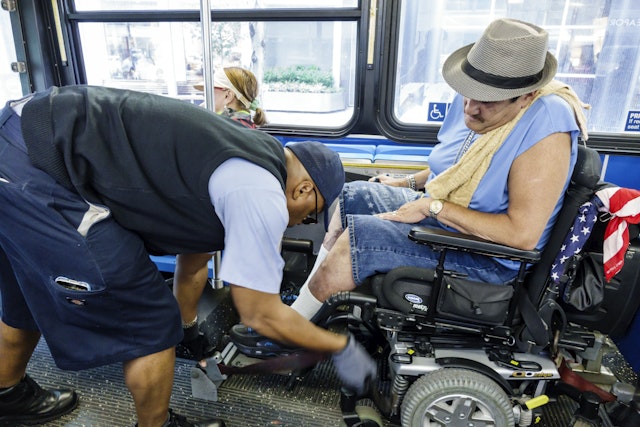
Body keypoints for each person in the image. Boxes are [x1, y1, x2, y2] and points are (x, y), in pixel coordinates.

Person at [0, 85, 375, 427]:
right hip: (40, 162)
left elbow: (194, 257)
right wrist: (337, 347)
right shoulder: (260, 193)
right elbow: (259, 313)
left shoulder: (242, 156)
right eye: (309, 214)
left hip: (20, 135)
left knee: (25, 291)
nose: (300, 223)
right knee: (148, 319)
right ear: (304, 189)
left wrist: (187, 329)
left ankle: (7, 394)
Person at [285, 18, 590, 321]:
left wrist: (433, 208)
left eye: (487, 101)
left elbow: (521, 235)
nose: (470, 108)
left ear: (526, 96)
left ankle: (289, 330)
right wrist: (406, 184)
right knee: (354, 196)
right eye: (469, 94)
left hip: (487, 256)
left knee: (361, 238)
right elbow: (455, 170)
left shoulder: (547, 126)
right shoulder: (475, 101)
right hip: (448, 219)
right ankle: (316, 305)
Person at [176, 66, 268, 360]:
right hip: (240, 214)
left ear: (227, 95)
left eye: (208, 93)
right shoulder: (248, 128)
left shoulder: (215, 131)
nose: (202, 101)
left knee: (189, 266)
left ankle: (187, 333)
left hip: (209, 211)